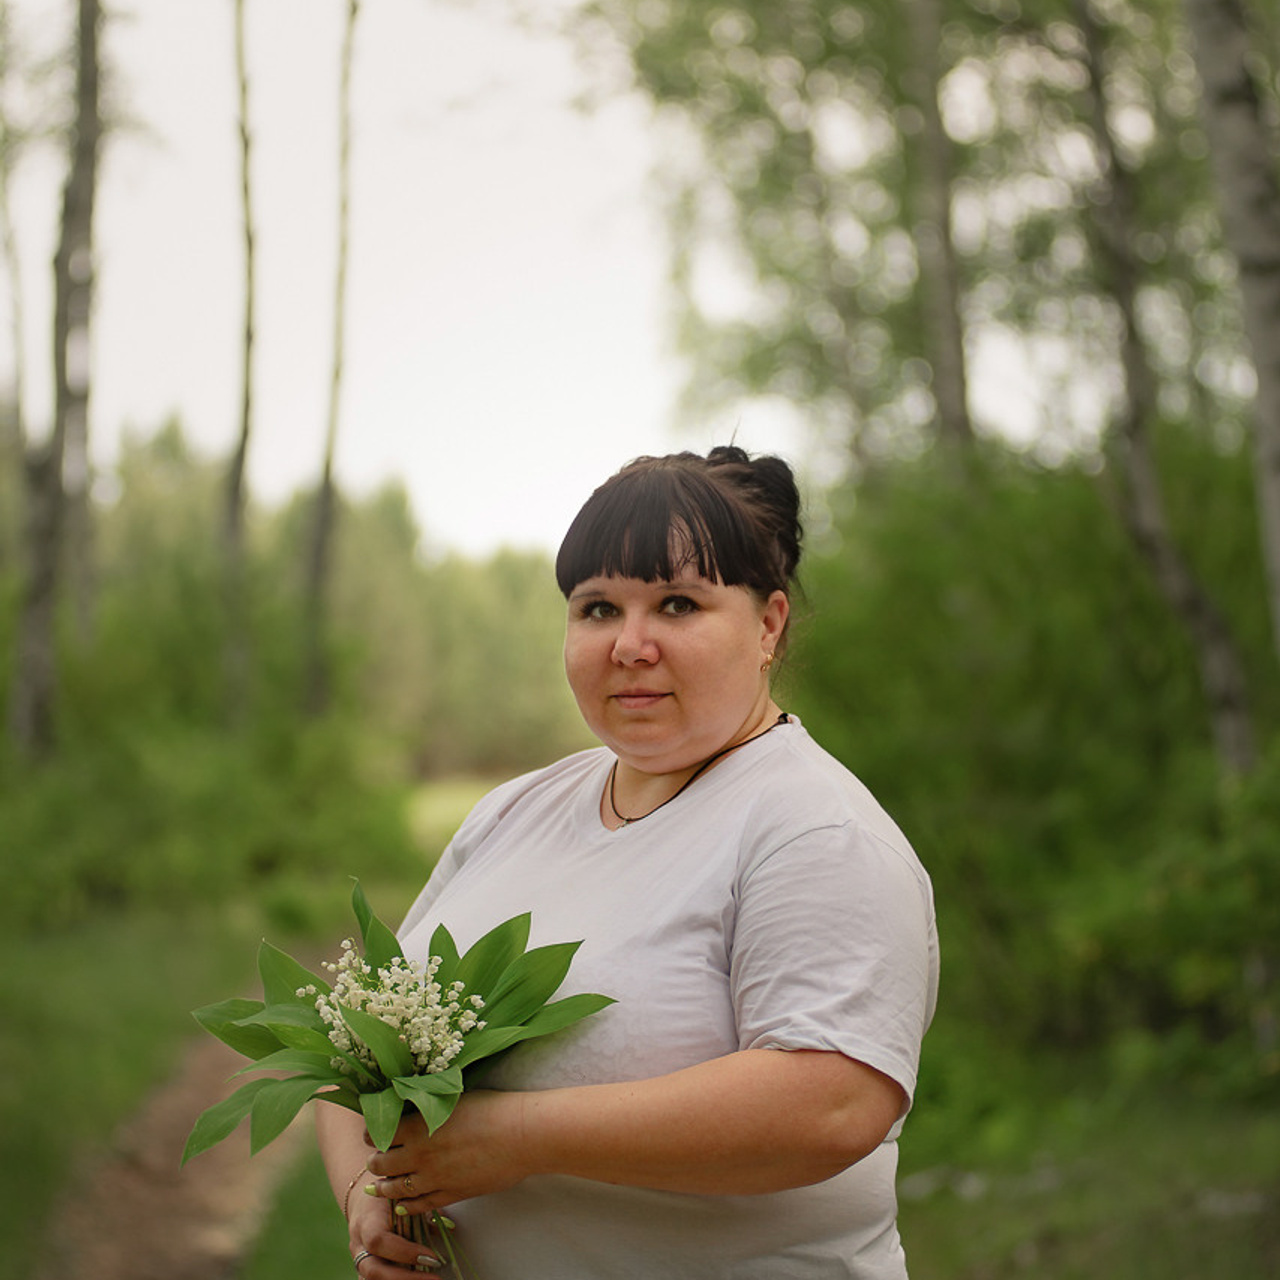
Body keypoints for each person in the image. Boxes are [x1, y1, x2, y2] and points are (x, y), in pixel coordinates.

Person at [318, 446, 939, 1279]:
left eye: (678, 604)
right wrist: (369, 1197)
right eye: (599, 608)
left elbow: (830, 1103)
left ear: (768, 625)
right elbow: (356, 1044)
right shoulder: (512, 812)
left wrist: (517, 1138)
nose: (630, 645)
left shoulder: (812, 830)